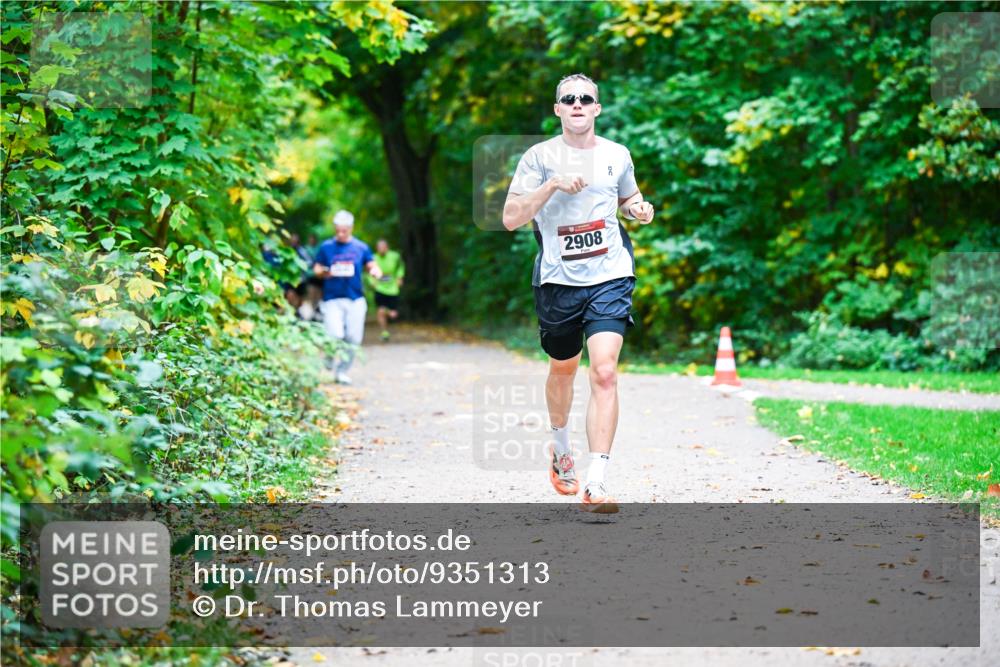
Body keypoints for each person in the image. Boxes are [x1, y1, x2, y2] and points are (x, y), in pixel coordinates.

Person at [502, 73, 654, 513]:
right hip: (557, 281)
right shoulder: (539, 157)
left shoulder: (616, 155)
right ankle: (560, 446)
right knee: (563, 369)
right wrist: (551, 185)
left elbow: (629, 200)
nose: (577, 104)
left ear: (597, 108)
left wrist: (639, 210)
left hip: (610, 275)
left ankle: (596, 481)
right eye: (568, 99)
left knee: (604, 372)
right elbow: (512, 217)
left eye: (586, 99)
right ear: (557, 109)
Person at [313, 210, 383, 384]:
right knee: (335, 334)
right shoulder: (326, 247)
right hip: (332, 298)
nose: (340, 233)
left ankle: (341, 371)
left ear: (351, 228)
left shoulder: (361, 247)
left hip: (355, 298)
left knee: (353, 338)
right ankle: (329, 357)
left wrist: (375, 271)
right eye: (338, 230)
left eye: (344, 230)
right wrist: (324, 272)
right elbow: (316, 268)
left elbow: (372, 264)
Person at [368, 239, 405, 341]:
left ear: (387, 248)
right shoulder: (373, 258)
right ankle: (384, 332)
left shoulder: (395, 256)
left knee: (393, 314)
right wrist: (372, 282)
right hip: (380, 288)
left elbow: (400, 267)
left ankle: (390, 312)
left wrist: (399, 277)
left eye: (382, 247)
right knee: (380, 311)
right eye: (379, 248)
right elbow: (370, 271)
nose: (381, 250)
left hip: (393, 289)